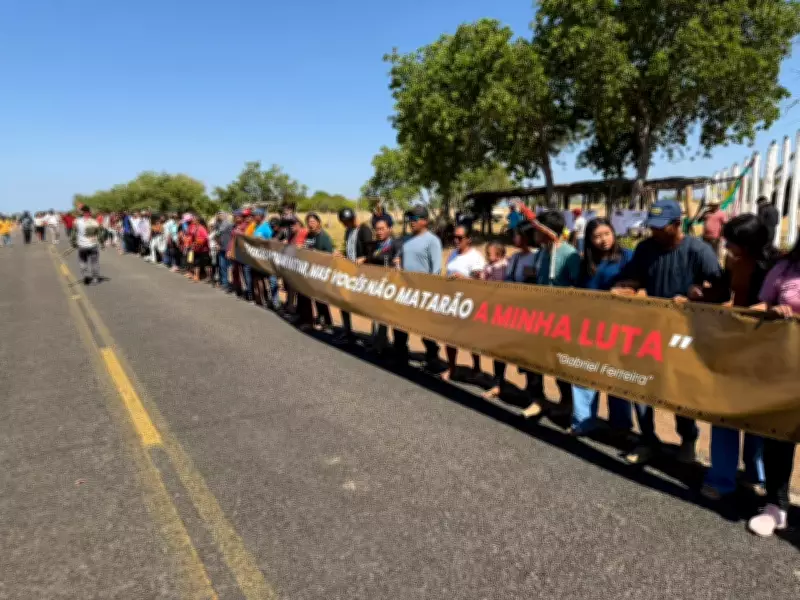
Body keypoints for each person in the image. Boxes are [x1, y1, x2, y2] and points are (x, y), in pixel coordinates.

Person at [613, 199, 723, 465]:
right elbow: (635, 277)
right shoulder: (645, 248)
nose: (655, 231)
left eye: (661, 227)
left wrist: (698, 297)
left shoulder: (699, 250)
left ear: (677, 224)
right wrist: (626, 287)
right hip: (649, 329)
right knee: (641, 384)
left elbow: (721, 292)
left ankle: (687, 440)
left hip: (684, 333)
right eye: (652, 226)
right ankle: (647, 439)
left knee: (678, 388)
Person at [686, 214, 774, 501]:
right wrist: (700, 295)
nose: (726, 247)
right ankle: (721, 478)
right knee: (723, 413)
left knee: (757, 419)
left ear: (749, 243)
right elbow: (723, 292)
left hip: (764, 353)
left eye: (732, 242)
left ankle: (756, 476)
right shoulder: (733, 263)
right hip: (733, 347)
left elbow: (779, 303)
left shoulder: (774, 267)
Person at [747, 234, 800, 536]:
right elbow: (761, 304)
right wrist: (770, 312)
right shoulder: (784, 268)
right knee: (779, 436)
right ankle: (775, 506)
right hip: (785, 367)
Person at [569, 218, 634, 437]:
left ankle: (621, 426)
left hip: (619, 326)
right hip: (589, 325)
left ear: (614, 233)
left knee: (616, 375)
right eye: (597, 236)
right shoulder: (585, 262)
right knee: (586, 373)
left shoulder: (627, 257)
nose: (603, 240)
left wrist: (628, 288)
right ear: (589, 240)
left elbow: (638, 284)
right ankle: (583, 421)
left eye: (606, 234)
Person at [520, 208, 581, 418]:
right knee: (534, 360)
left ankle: (567, 403)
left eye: (537, 230)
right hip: (539, 318)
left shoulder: (569, 254)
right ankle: (537, 398)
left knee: (560, 363)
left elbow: (577, 287)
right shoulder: (541, 253)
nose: (534, 235)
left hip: (561, 321)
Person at [393, 205, 443, 370]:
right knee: (399, 324)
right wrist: (398, 263)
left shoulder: (432, 241)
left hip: (423, 292)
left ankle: (432, 357)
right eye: (410, 219)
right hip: (405, 291)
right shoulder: (406, 240)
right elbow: (401, 260)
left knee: (425, 328)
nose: (411, 222)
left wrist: (430, 292)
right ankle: (400, 355)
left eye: (414, 219)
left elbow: (436, 269)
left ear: (425, 221)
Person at [441, 226, 486, 382]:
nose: (456, 240)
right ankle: (451, 367)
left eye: (460, 238)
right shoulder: (452, 254)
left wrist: (463, 279)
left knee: (472, 339)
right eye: (454, 237)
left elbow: (480, 281)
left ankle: (477, 368)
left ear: (468, 239)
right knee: (449, 337)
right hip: (452, 303)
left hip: (469, 303)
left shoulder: (476, 257)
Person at [473, 241, 510, 398]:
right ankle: (497, 383)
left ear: (499, 254)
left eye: (490, 253)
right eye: (487, 253)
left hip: (505, 311)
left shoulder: (506, 266)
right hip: (492, 311)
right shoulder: (488, 267)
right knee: (497, 349)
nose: (488, 256)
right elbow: (483, 282)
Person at [363, 215, 401, 352]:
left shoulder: (395, 245)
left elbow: (399, 265)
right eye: (377, 229)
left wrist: (397, 265)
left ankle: (383, 345)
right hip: (376, 286)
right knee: (375, 315)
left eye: (382, 229)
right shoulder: (375, 245)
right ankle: (377, 341)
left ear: (389, 229)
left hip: (390, 287)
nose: (379, 232)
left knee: (385, 317)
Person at [337, 207, 373, 344]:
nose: (345, 224)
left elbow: (371, 252)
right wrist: (342, 255)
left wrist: (364, 258)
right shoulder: (348, 231)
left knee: (369, 306)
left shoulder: (364, 230)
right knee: (343, 301)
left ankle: (375, 338)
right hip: (350, 272)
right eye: (343, 222)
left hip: (363, 274)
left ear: (353, 218)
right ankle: (347, 331)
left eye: (347, 221)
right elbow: (350, 250)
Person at [71, 205, 101, 284]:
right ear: (90, 213)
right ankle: (95, 278)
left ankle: (85, 275)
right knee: (94, 262)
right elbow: (100, 234)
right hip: (93, 245)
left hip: (82, 245)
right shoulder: (95, 222)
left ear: (82, 213)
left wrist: (73, 242)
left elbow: (73, 233)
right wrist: (101, 243)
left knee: (83, 261)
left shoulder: (76, 221)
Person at [214, 213, 233, 291]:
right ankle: (224, 283)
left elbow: (232, 237)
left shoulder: (229, 224)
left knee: (229, 267)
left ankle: (230, 285)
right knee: (222, 266)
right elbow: (216, 235)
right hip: (221, 248)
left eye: (221, 215)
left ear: (225, 216)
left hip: (228, 248)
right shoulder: (217, 224)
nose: (219, 216)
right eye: (218, 215)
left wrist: (230, 249)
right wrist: (217, 244)